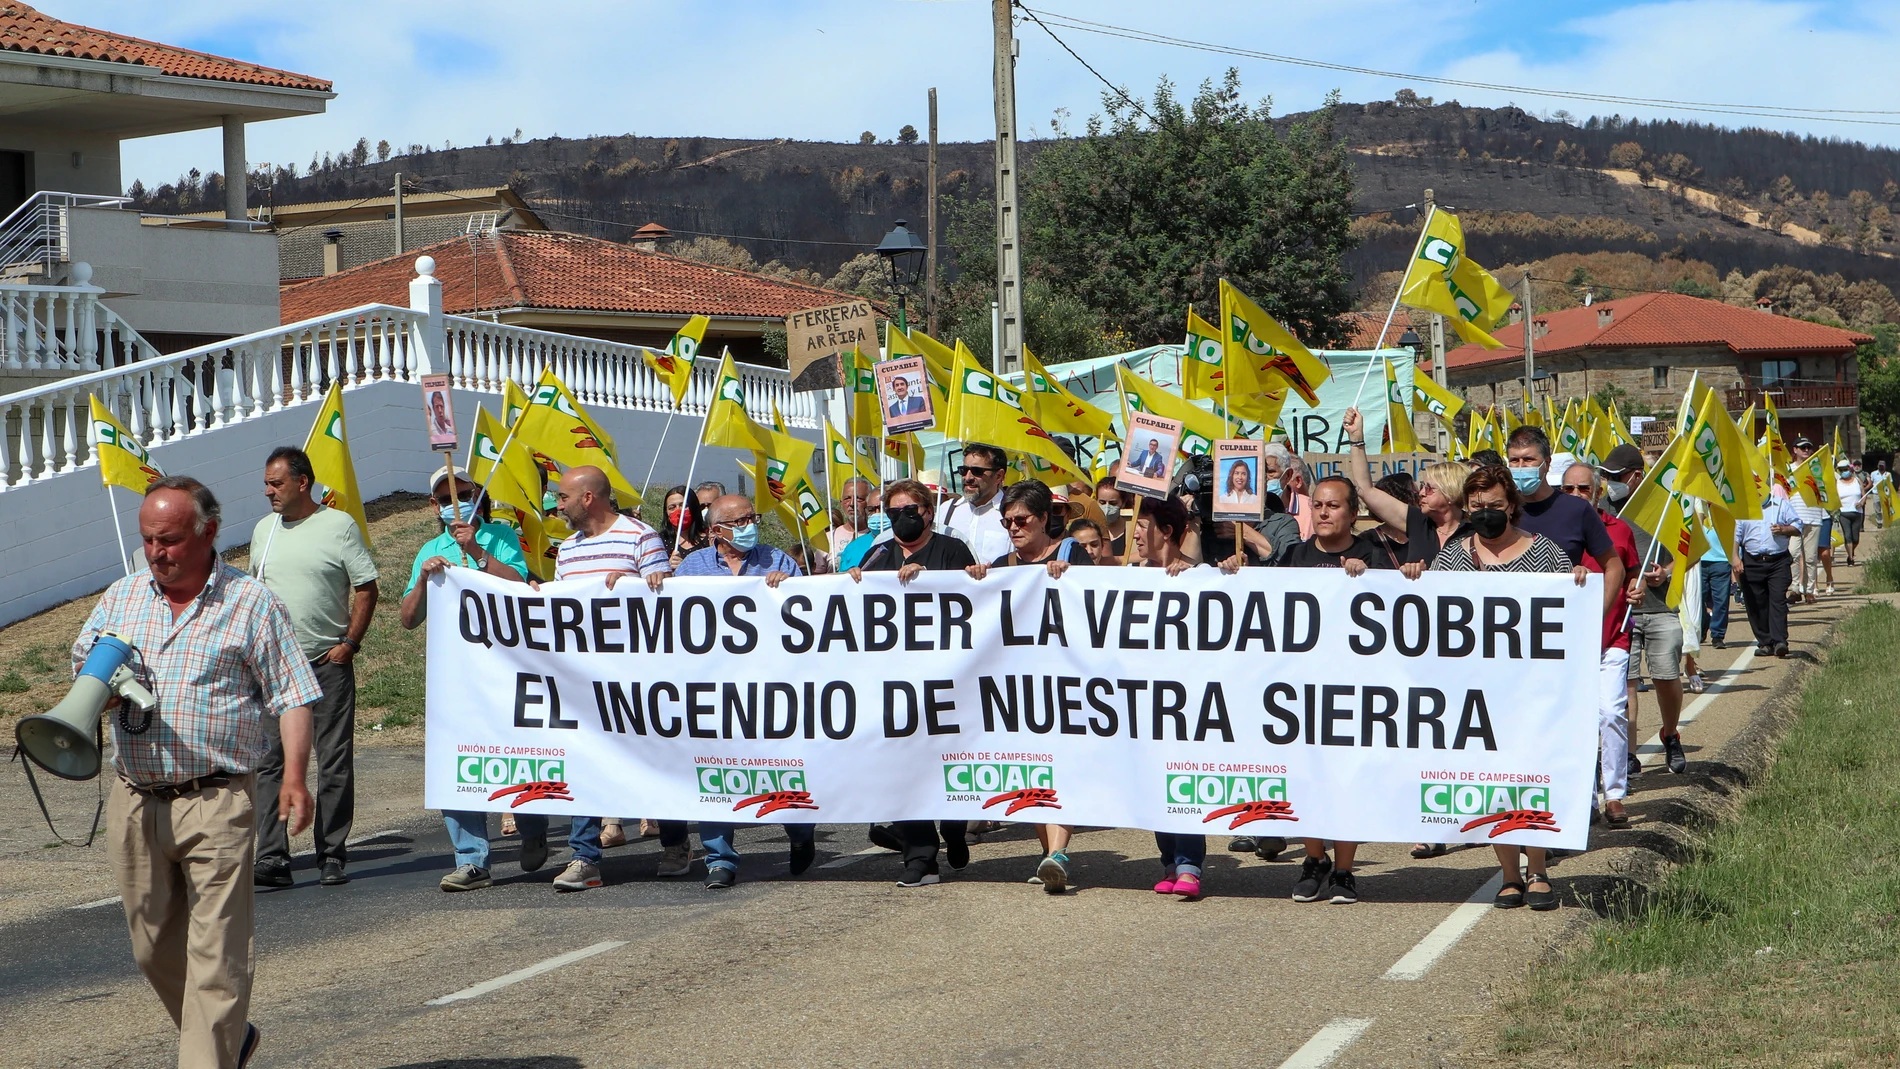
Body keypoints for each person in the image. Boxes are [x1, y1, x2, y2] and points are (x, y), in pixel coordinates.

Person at [75, 476, 324, 1068]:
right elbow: (86, 674)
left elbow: (293, 696)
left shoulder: (251, 603)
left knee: (216, 957)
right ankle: (232, 1040)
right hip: (134, 798)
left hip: (217, 800)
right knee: (153, 947)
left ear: (208, 532)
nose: (157, 553)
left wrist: (294, 777)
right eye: (148, 542)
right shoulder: (122, 598)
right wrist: (98, 692)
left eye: (170, 539)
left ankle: (208, 1056)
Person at [1426, 466, 1589, 911]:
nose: (1485, 514)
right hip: (1475, 695)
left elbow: (1568, 617)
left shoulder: (1547, 556)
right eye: (1476, 507)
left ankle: (1537, 869)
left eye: (1494, 506)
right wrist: (1411, 578)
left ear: (1512, 506)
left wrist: (1577, 585)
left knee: (1530, 777)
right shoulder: (1452, 559)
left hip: (1532, 693)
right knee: (1494, 782)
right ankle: (1509, 874)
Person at [248, 446, 380, 889]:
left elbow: (366, 586)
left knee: (333, 760)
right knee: (271, 761)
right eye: (267, 482)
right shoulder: (264, 531)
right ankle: (271, 856)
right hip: (274, 670)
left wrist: (349, 643)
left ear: (302, 482)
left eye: (276, 483)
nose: (268, 491)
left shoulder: (338, 525)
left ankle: (331, 852)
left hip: (326, 664)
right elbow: (253, 595)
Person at [536, 465, 672, 890]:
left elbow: (667, 595)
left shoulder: (640, 535)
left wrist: (636, 583)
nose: (558, 504)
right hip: (585, 678)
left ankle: (674, 843)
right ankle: (584, 856)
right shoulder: (567, 550)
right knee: (586, 760)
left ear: (588, 498)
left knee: (655, 759)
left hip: (639, 674)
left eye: (563, 497)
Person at [401, 467, 536, 893]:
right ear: (433, 506)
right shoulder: (430, 548)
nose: (453, 502)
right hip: (457, 677)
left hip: (507, 669)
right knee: (455, 760)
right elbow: (407, 619)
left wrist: (476, 550)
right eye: (445, 497)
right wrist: (424, 579)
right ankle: (471, 859)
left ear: (479, 496)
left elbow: (518, 585)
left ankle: (533, 826)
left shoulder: (503, 537)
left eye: (463, 493)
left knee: (519, 752)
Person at [672, 494, 813, 887]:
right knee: (713, 770)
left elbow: (810, 611)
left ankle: (801, 831)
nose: (751, 524)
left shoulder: (779, 561)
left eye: (753, 516)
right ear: (716, 530)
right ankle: (720, 858)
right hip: (713, 688)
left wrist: (788, 589)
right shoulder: (692, 567)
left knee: (782, 770)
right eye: (741, 520)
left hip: (772, 687)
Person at [963, 480, 1090, 892]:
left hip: (1067, 682)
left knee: (1063, 768)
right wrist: (976, 581)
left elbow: (1104, 602)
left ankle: (1057, 852)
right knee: (1033, 770)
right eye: (1007, 521)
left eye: (1022, 520)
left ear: (1044, 519)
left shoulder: (1072, 554)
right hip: (1018, 687)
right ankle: (1051, 852)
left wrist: (1070, 581)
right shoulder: (1001, 565)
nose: (1013, 527)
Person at [850, 479, 978, 887]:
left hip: (947, 681)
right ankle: (920, 856)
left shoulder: (952, 551)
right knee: (905, 767)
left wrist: (929, 579)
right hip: (895, 686)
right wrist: (853, 581)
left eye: (911, 510)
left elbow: (976, 598)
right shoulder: (878, 555)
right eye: (894, 512)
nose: (902, 518)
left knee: (949, 764)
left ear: (928, 512)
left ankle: (955, 830)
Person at [1276, 476, 1391, 904]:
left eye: (1334, 506)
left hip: (1354, 689)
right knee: (1306, 776)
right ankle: (1313, 859)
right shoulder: (1295, 555)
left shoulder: (1373, 555)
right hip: (1303, 688)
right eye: (1318, 505)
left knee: (1348, 779)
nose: (1324, 513)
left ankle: (1344, 870)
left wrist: (1370, 579)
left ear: (1353, 511)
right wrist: (1235, 571)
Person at [1126, 496, 1211, 900]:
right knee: (1154, 781)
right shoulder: (1127, 576)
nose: (1135, 533)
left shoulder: (1198, 576)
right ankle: (1169, 861)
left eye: (1143, 526)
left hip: (1188, 699)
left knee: (1183, 778)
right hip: (1143, 700)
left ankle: (1191, 862)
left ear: (1167, 533)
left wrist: (1219, 572)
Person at [1596, 444, 1685, 776]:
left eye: (1615, 476)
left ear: (1635, 477)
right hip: (1620, 613)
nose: (1608, 481)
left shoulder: (1661, 507)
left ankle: (1671, 733)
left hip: (1660, 609)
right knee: (1625, 684)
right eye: (1604, 475)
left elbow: (1692, 550)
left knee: (1666, 677)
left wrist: (1667, 571)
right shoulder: (1600, 510)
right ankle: (1629, 755)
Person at [1561, 460, 1638, 827]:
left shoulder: (1619, 530)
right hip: (1567, 646)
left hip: (1613, 638)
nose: (1576, 496)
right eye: (1568, 489)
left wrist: (1640, 586)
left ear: (1597, 492)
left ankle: (1614, 795)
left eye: (1583, 489)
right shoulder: (1551, 532)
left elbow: (1632, 574)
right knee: (1576, 722)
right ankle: (1585, 797)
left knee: (1610, 713)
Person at [1342, 407, 1468, 572]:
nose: (1421, 493)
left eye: (1429, 488)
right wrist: (1356, 438)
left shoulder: (1474, 530)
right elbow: (1365, 490)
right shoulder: (1418, 522)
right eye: (1422, 487)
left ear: (1451, 494)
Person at [1733, 488, 1803, 658]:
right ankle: (1765, 642)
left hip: (1777, 561)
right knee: (1756, 603)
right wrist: (1735, 558)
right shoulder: (1743, 508)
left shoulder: (1781, 505)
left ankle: (1780, 641)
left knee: (1778, 600)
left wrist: (1784, 529)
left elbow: (1798, 526)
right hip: (1752, 562)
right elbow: (1735, 536)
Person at [939, 442, 1011, 562]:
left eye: (977, 471)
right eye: (963, 470)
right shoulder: (946, 510)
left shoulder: (1012, 513)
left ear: (999, 476)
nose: (968, 478)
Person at [1787, 438, 1825, 603]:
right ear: (1795, 449)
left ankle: (1809, 590)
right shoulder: (1788, 469)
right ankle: (1795, 589)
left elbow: (1825, 490)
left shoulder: (1816, 470)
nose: (1806, 450)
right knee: (1793, 554)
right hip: (1794, 520)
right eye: (1803, 447)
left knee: (1810, 558)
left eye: (1809, 447)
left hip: (1813, 517)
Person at [1263, 442, 1315, 539]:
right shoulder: (1249, 510)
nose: (1264, 478)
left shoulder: (1312, 511)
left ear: (1287, 475)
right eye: (1259, 472)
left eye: (1270, 472)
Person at [1835, 457, 1864, 571]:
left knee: (1855, 538)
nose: (1843, 472)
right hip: (1843, 513)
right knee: (1848, 536)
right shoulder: (1837, 483)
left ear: (1849, 469)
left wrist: (1861, 502)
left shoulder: (1857, 480)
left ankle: (1850, 551)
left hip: (1857, 513)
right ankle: (1851, 558)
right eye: (1840, 470)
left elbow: (1864, 494)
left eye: (1845, 469)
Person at [1095, 477, 1133, 560]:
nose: (1107, 508)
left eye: (1113, 503)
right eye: (1102, 502)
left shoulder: (1132, 531)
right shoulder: (1091, 530)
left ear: (1123, 503)